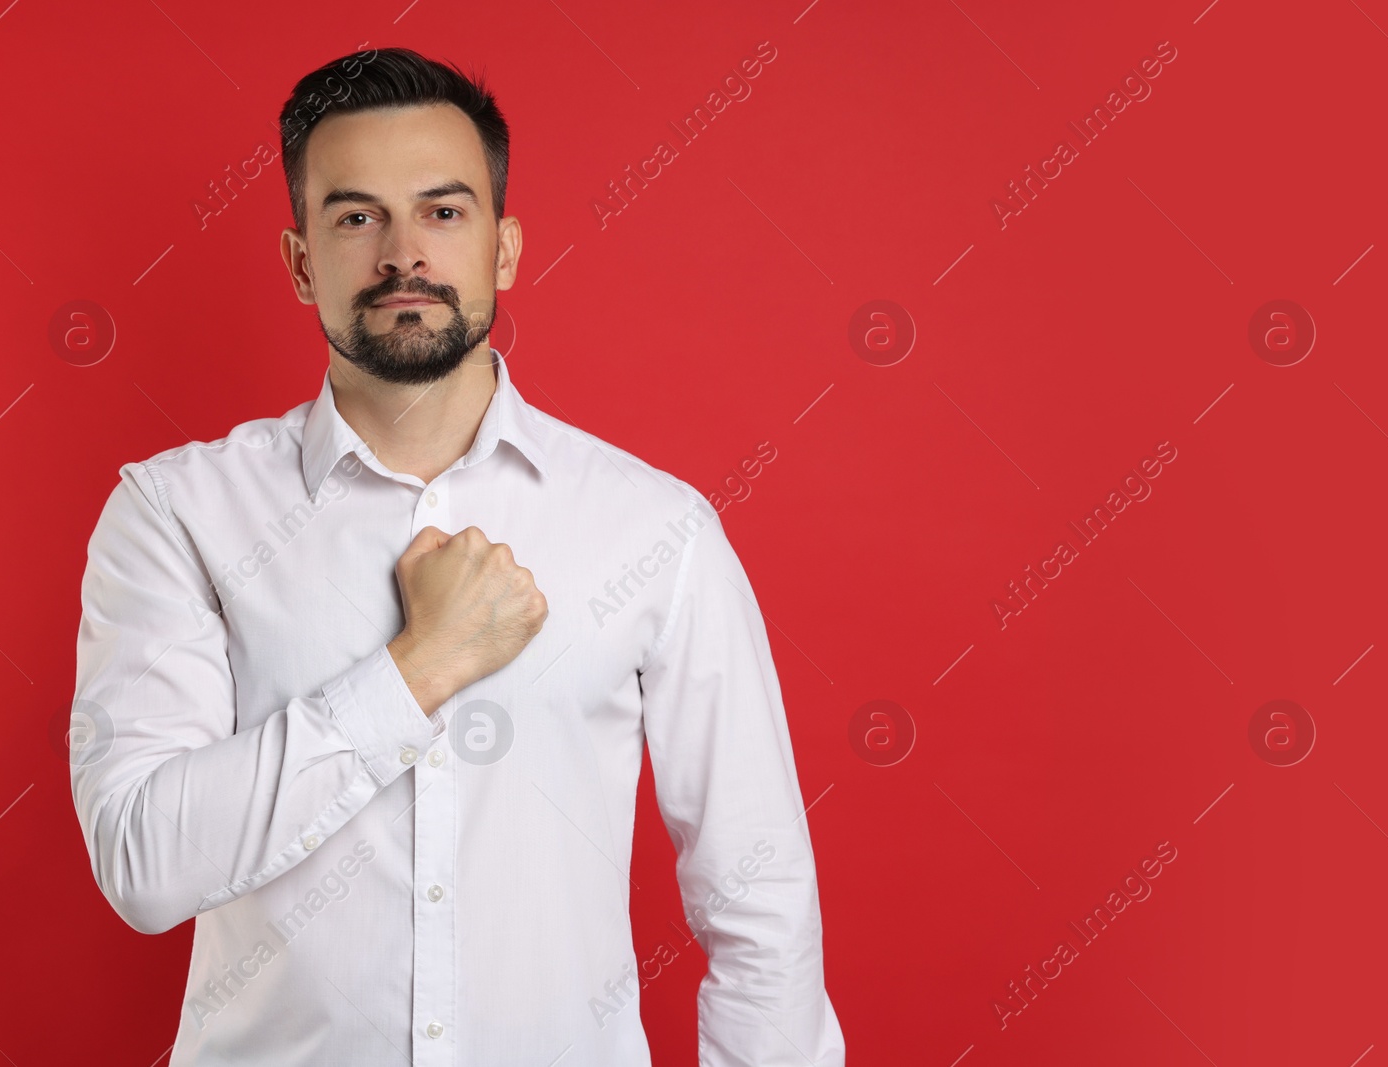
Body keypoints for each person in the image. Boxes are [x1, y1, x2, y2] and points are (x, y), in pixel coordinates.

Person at [68, 44, 844, 1066]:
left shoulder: (656, 528)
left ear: (504, 248)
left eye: (443, 211)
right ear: (302, 261)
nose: (402, 254)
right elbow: (144, 862)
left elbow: (759, 899)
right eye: (356, 217)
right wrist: (418, 666)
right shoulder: (176, 512)